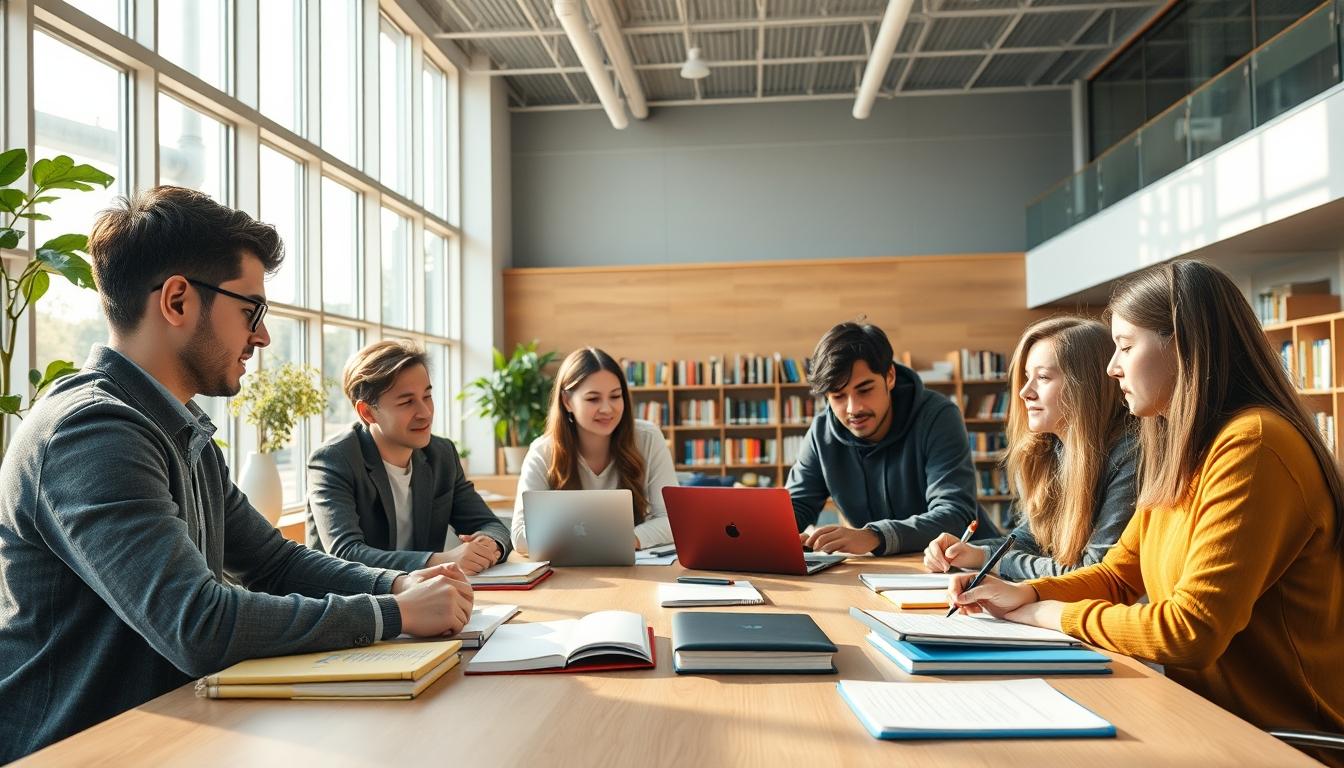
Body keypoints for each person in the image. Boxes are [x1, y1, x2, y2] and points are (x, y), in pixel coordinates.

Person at [0, 187, 473, 762]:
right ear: (177, 300)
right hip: (81, 750)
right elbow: (197, 623)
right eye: (251, 310)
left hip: (172, 733)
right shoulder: (92, 433)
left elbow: (275, 562)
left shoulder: (179, 432)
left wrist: (396, 585)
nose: (263, 336)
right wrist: (391, 614)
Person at [949, 260, 1344, 766]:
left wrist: (1049, 613)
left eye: (1126, 346)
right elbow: (1118, 576)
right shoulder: (1185, 451)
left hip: (1283, 743)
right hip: (1208, 722)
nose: (1113, 367)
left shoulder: (1254, 446)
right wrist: (1024, 592)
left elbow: (1190, 632)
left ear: (1184, 344)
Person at [923, 316, 1137, 579]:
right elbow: (1028, 538)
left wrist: (987, 559)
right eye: (1026, 377)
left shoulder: (1128, 455)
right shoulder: (1049, 451)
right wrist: (965, 550)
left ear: (1087, 386)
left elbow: (1090, 573)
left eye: (1043, 377)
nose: (1025, 392)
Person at [306, 339, 511, 575]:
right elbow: (346, 553)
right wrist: (440, 560)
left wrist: (488, 544)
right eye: (407, 402)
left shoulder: (441, 454)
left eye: (427, 396)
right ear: (367, 412)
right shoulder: (333, 460)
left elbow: (492, 526)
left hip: (422, 598)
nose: (425, 413)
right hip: (350, 604)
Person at [789, 321, 994, 555]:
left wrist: (874, 536)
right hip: (884, 570)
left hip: (967, 565)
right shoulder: (821, 432)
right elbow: (795, 506)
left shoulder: (938, 416)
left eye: (865, 390)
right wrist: (778, 533)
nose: (853, 408)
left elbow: (956, 515)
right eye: (838, 396)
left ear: (890, 377)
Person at [512, 347, 676, 554]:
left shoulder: (648, 438)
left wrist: (628, 539)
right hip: (569, 575)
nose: (607, 409)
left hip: (634, 567)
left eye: (615, 396)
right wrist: (602, 540)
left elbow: (673, 521)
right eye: (593, 399)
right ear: (567, 401)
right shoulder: (543, 452)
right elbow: (520, 535)